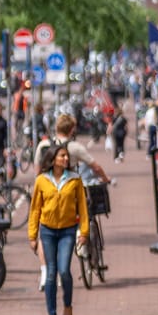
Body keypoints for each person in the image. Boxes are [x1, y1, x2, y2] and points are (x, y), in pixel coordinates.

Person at [33, 113, 111, 291]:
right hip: (71, 194)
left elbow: (37, 171)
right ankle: (81, 243)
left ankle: (45, 272)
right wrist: (105, 179)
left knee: (45, 233)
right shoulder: (74, 147)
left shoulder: (43, 145)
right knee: (79, 221)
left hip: (48, 195)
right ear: (72, 130)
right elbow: (95, 166)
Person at [28, 144, 89, 315]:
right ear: (53, 159)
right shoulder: (41, 180)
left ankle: (68, 306)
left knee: (64, 270)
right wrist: (32, 235)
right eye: (62, 156)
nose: (65, 159)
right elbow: (35, 209)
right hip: (47, 231)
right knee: (51, 273)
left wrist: (84, 231)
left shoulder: (75, 180)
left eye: (66, 156)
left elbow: (83, 209)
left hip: (67, 231)